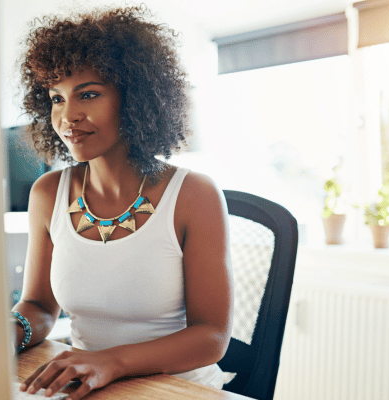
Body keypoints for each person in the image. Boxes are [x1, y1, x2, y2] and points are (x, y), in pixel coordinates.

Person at [12, 6, 233, 399]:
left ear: (135, 98)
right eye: (57, 99)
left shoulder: (194, 195)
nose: (67, 117)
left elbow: (211, 336)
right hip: (85, 387)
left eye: (89, 94)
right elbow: (40, 306)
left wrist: (111, 361)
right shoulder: (48, 194)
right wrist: (12, 330)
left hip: (177, 389)